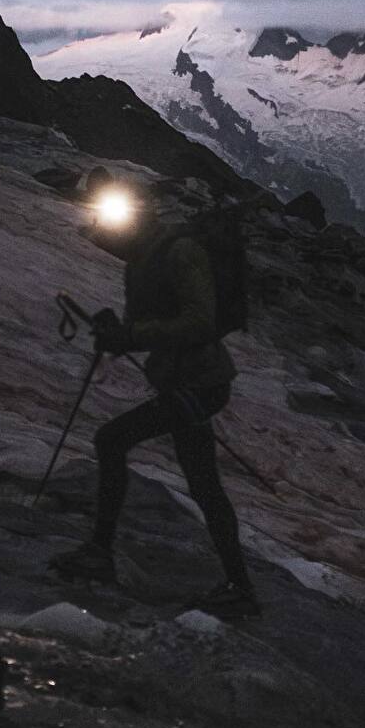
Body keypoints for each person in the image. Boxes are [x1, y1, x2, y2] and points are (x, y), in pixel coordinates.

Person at [50, 183, 260, 619]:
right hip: (191, 384)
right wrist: (120, 331)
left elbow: (199, 322)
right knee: (203, 483)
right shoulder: (144, 260)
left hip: (198, 385)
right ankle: (240, 587)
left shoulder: (179, 253)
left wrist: (131, 335)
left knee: (114, 441)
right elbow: (153, 326)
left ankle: (101, 552)